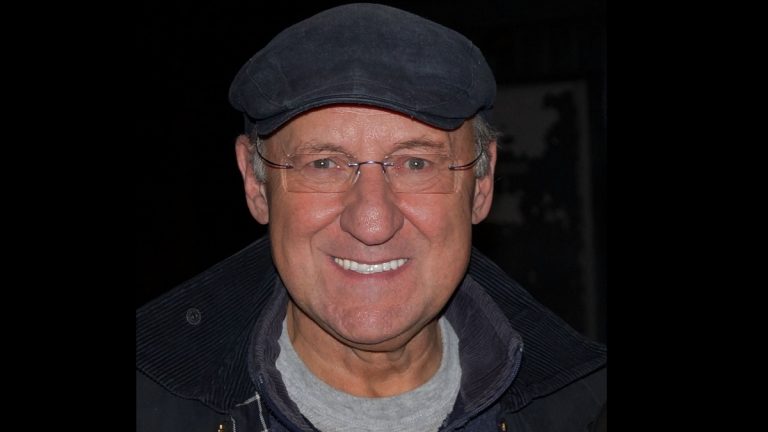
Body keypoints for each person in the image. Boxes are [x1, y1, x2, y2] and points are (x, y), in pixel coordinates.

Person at [136, 3, 606, 432]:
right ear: (256, 185)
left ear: (480, 185)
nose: (373, 223)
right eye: (324, 163)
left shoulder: (584, 409)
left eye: (416, 163)